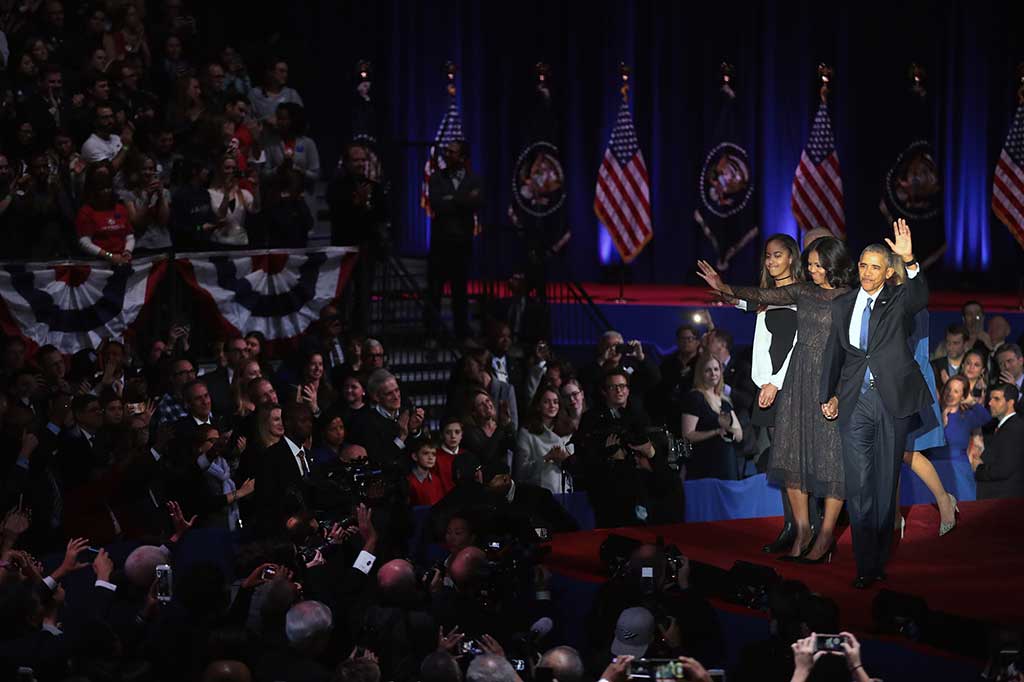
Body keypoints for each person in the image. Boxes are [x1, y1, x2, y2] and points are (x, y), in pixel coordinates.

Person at [697, 235, 853, 563]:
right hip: (795, 382)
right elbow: (762, 297)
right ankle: (801, 531)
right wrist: (724, 288)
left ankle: (824, 535)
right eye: (810, 264)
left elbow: (851, 350)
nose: (811, 270)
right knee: (790, 459)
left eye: (817, 265)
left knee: (829, 461)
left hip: (824, 383)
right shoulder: (803, 290)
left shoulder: (849, 299)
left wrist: (838, 393)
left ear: (832, 265)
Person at [819, 219, 932, 589]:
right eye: (863, 266)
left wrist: (909, 259)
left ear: (887, 272)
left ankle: (878, 559)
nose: (867, 273)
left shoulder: (898, 299)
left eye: (875, 267)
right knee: (859, 484)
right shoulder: (843, 305)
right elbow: (834, 353)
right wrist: (826, 394)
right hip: (855, 403)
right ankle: (864, 564)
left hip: (891, 401)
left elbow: (920, 297)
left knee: (884, 483)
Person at [890, 260, 956, 537]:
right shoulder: (889, 298)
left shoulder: (911, 301)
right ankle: (894, 518)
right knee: (891, 454)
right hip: (891, 382)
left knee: (904, 451)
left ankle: (944, 499)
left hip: (910, 381)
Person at [745, 235, 801, 551]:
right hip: (768, 387)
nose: (771, 261)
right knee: (781, 463)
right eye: (768, 256)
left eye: (777, 255)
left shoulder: (802, 294)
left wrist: (776, 382)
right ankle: (791, 526)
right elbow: (761, 343)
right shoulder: (766, 296)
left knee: (797, 463)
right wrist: (764, 381)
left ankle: (807, 528)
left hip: (791, 386)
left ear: (791, 257)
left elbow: (799, 345)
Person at [426, 140, 483, 340]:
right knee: (434, 293)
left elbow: (478, 202)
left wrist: (451, 198)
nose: (447, 154)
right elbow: (436, 204)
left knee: (460, 294)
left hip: (462, 246)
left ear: (462, 157)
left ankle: (461, 334)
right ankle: (432, 335)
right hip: (440, 246)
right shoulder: (436, 178)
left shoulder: (474, 179)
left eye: (452, 152)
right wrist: (463, 199)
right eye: (446, 151)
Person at [680, 352, 742, 480]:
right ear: (700, 373)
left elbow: (739, 435)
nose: (713, 373)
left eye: (716, 369)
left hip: (727, 464)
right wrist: (715, 432)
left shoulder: (724, 401)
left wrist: (728, 429)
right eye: (708, 370)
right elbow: (688, 435)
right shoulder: (695, 398)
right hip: (704, 465)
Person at [931, 375, 990, 502]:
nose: (950, 394)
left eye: (956, 391)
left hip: (959, 471)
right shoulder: (933, 414)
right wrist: (941, 422)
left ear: (963, 396)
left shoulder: (966, 417)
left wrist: (971, 401)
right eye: (948, 389)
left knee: (964, 509)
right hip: (934, 470)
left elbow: (986, 418)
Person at [514, 384, 574, 494]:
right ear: (538, 405)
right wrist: (546, 458)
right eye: (547, 402)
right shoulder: (526, 433)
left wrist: (566, 459)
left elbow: (576, 468)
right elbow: (520, 472)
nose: (552, 406)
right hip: (538, 494)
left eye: (555, 402)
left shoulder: (569, 430)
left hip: (565, 493)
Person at [971, 384, 1024, 499]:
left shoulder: (1013, 428)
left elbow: (1004, 469)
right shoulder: (1006, 426)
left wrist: (979, 468)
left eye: (997, 399)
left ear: (1010, 402)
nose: (990, 403)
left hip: (1004, 498)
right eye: (990, 399)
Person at [75, 163, 134, 263]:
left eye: (108, 187)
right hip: (99, 262)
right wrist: (109, 255)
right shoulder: (87, 211)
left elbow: (129, 236)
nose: (106, 191)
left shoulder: (120, 208)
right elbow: (84, 242)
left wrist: (127, 251)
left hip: (122, 258)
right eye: (102, 189)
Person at [930, 324, 969, 390]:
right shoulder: (935, 366)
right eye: (948, 342)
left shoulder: (972, 368)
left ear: (965, 344)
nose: (950, 346)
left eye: (955, 343)